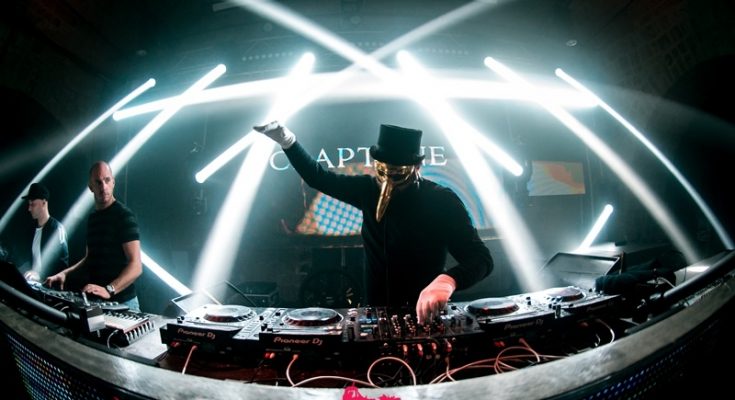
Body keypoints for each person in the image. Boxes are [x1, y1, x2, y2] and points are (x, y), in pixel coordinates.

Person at [254, 121, 493, 324]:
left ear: (417, 167)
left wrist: (447, 281)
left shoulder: (442, 200)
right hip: (376, 312)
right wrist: (288, 142)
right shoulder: (367, 189)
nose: (388, 181)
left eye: (397, 173)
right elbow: (319, 178)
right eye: (383, 170)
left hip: (425, 313)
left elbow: (481, 258)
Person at [44, 161, 143, 312]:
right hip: (99, 303)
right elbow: (90, 258)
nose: (103, 186)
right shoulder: (93, 218)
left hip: (124, 304)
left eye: (107, 180)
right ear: (91, 187)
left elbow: (136, 266)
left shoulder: (124, 216)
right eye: (98, 182)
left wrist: (109, 289)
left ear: (113, 182)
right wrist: (64, 274)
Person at [19, 182, 69, 282]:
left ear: (44, 202)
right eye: (29, 204)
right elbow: (30, 261)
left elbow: (62, 266)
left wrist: (41, 275)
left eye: (32, 204)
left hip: (49, 286)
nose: (29, 208)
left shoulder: (57, 229)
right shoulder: (31, 230)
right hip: (33, 283)